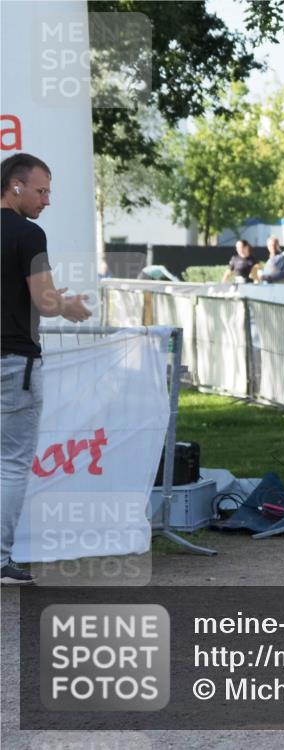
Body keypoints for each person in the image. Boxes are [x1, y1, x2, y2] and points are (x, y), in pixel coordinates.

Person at [1, 152, 92, 585]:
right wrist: (69, 305)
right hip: (13, 363)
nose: (47, 200)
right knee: (12, 464)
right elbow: (46, 301)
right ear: (15, 186)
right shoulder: (28, 234)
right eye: (42, 190)